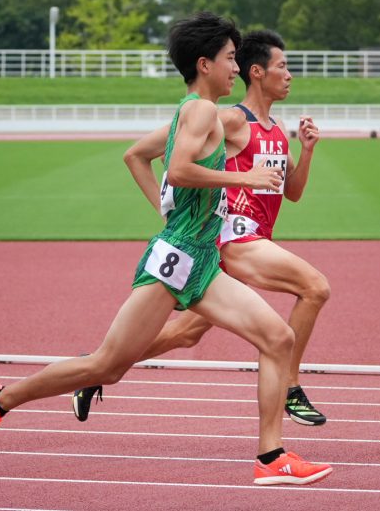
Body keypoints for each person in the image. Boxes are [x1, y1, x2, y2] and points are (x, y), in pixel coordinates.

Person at [0, 12, 332, 486]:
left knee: (277, 338)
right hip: (177, 259)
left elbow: (151, 162)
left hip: (202, 256)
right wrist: (242, 179)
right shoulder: (200, 110)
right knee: (107, 364)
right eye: (229, 58)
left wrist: (172, 211)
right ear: (204, 64)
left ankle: (271, 457)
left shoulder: (198, 111)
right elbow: (177, 169)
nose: (235, 68)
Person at [72, 30, 329, 427]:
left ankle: (94, 369)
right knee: (314, 287)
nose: (290, 74)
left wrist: (307, 151)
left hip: (241, 244)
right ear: (257, 72)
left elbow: (291, 192)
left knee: (185, 333)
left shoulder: (277, 129)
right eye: (283, 66)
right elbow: (140, 154)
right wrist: (168, 211)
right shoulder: (230, 118)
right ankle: (290, 388)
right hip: (234, 239)